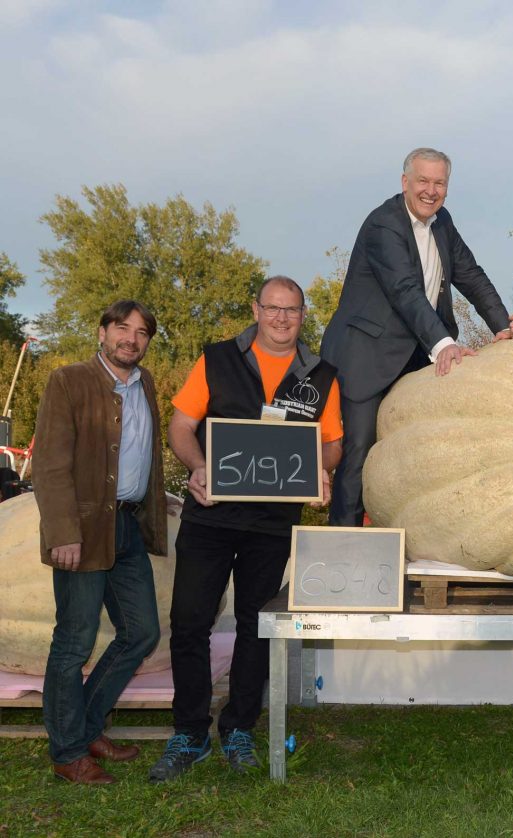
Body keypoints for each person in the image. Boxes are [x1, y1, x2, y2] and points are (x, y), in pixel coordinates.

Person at [149, 276, 343, 781]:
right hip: (210, 517)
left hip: (272, 523)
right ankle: (189, 733)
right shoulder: (216, 359)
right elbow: (180, 428)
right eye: (274, 308)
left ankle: (239, 729)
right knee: (190, 622)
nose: (282, 319)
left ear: (304, 315)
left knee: (259, 627)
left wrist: (322, 468)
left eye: (293, 311)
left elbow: (332, 443)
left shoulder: (321, 374)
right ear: (255, 309)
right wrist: (196, 467)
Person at [320, 147, 513, 527]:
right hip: (366, 357)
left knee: (415, 459)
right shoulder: (383, 225)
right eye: (423, 181)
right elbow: (404, 290)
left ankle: (406, 549)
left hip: (412, 355)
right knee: (359, 455)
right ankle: (343, 553)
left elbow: (471, 275)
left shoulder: (442, 222)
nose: (431, 191)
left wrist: (501, 326)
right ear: (405, 183)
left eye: (439, 183)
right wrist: (444, 342)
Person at [33, 300, 167, 784]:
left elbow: (140, 455)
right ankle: (68, 752)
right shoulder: (68, 381)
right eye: (122, 328)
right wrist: (63, 532)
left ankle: (87, 727)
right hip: (83, 529)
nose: (131, 338)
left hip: (127, 526)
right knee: (73, 642)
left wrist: (161, 502)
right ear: (102, 332)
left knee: (141, 632)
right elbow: (48, 465)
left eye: (142, 332)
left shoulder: (145, 383)